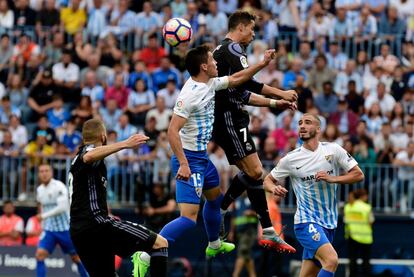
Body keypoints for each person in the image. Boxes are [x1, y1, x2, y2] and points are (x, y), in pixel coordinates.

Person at [135, 44, 294, 276]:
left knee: (215, 200)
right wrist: (183, 164)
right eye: (212, 59)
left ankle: (214, 243)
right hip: (190, 159)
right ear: (203, 66)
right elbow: (172, 130)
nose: (216, 62)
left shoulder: (210, 82)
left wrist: (261, 64)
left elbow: (238, 78)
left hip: (201, 157)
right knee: (189, 219)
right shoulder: (190, 95)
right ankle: (146, 253)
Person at [212, 10, 297, 253]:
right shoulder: (233, 50)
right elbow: (248, 82)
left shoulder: (223, 52)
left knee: (254, 173)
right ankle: (227, 210)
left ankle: (257, 222)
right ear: (240, 28)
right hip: (228, 118)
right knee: (256, 172)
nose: (253, 34)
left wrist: (274, 104)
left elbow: (241, 93)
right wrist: (281, 93)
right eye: (251, 29)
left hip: (233, 116)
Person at [263, 113, 365, 277]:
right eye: (300, 123)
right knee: (331, 260)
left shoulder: (333, 150)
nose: (302, 126)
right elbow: (267, 180)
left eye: (307, 122)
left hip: (329, 224)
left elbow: (358, 174)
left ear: (318, 129)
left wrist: (333, 179)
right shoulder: (291, 159)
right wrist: (273, 188)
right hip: (306, 222)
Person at [69, 118, 169, 277]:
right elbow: (88, 156)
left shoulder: (76, 162)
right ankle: (139, 258)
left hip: (79, 232)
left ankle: (138, 258)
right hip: (96, 225)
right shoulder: (88, 153)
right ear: (103, 136)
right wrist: (125, 144)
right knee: (160, 243)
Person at [35, 164, 88, 277]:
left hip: (66, 229)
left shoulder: (59, 186)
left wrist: (43, 216)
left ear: (51, 172)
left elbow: (62, 207)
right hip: (49, 230)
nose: (44, 173)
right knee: (40, 255)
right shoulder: (39, 190)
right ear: (39, 174)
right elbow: (42, 207)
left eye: (46, 171)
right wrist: (43, 225)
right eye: (41, 171)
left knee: (76, 258)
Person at [344, 189, 374, 277]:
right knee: (366, 261)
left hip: (352, 237)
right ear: (362, 196)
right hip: (366, 238)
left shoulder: (348, 207)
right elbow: (371, 221)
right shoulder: (367, 207)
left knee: (352, 260)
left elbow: (346, 221)